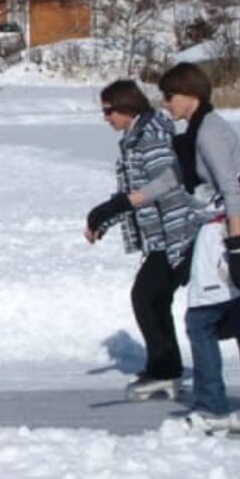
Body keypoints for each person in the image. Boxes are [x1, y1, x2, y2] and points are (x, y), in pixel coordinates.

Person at [158, 62, 240, 434]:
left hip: (231, 231)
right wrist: (119, 204)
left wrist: (238, 247)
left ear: (190, 96)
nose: (165, 104)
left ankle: (212, 408)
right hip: (231, 229)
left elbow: (231, 190)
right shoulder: (201, 128)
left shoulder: (208, 132)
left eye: (170, 96)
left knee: (202, 322)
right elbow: (172, 180)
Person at [84, 79, 198, 401]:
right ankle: (166, 369)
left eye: (108, 111)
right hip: (160, 235)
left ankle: (165, 371)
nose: (106, 118)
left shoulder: (152, 138)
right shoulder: (136, 137)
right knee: (154, 299)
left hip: (173, 233)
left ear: (125, 107)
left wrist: (176, 242)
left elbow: (167, 185)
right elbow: (132, 195)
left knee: (146, 297)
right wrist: (106, 218)